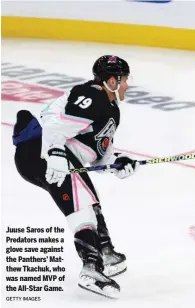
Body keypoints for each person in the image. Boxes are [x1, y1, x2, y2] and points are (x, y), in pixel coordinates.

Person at [12, 55, 139, 298]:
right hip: (39, 151)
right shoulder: (92, 94)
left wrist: (118, 162)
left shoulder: (112, 109)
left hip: (56, 153)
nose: (127, 85)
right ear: (112, 80)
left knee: (89, 198)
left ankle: (104, 252)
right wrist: (56, 153)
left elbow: (99, 153)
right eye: (124, 79)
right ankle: (91, 268)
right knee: (81, 203)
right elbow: (55, 127)